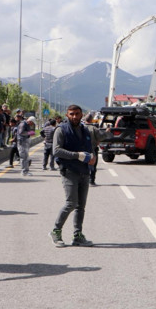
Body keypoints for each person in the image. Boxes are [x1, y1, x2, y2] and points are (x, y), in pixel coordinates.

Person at [51, 104, 96, 248]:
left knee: (81, 206)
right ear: (67, 115)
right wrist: (77, 155)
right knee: (71, 203)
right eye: (72, 114)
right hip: (69, 172)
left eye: (77, 113)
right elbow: (56, 151)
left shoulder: (85, 130)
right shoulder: (61, 129)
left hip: (84, 172)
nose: (75, 116)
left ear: (82, 114)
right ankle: (56, 231)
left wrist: (92, 156)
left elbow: (90, 148)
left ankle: (78, 235)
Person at [84, 113, 105, 186]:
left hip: (81, 150)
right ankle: (91, 180)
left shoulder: (80, 128)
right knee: (93, 165)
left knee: (82, 165)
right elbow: (100, 137)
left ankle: (83, 180)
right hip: (93, 150)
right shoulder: (94, 129)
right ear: (91, 120)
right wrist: (107, 132)